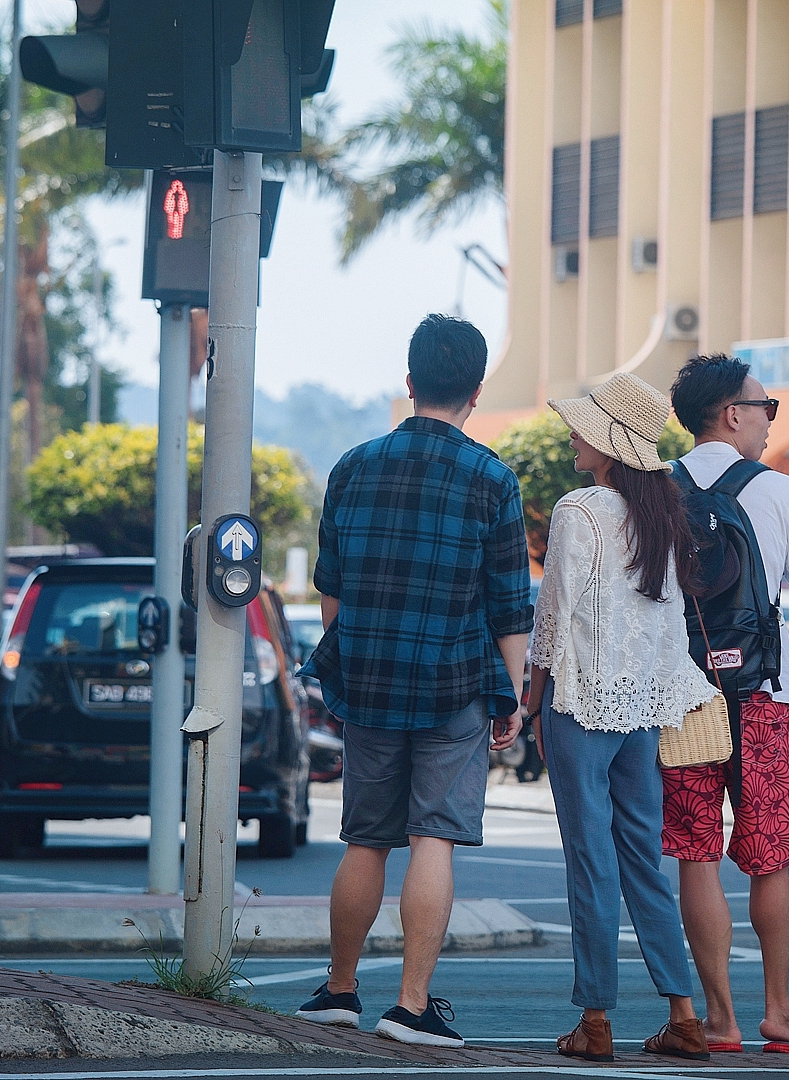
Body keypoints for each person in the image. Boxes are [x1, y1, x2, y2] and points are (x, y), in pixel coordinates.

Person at [296, 314, 532, 1049]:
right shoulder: (493, 478)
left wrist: (355, 650)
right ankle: (411, 1004)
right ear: (476, 390)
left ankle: (338, 990)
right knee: (436, 834)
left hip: (368, 680)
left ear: (409, 382)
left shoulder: (351, 466)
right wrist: (513, 697)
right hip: (454, 680)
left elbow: (330, 588)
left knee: (365, 838)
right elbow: (509, 604)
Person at [522, 373, 719, 1063]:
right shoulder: (662, 515)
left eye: (582, 427)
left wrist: (530, 699)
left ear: (607, 443)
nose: (572, 434)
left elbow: (554, 617)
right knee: (643, 861)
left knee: (591, 861)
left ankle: (596, 1020)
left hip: (580, 704)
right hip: (641, 712)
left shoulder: (579, 511)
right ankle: (684, 1014)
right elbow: (668, 629)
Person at [662, 354, 789, 1055]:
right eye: (766, 405)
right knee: (770, 858)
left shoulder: (659, 491)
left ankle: (720, 1020)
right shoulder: (776, 491)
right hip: (764, 697)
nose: (770, 419)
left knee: (697, 855)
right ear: (734, 414)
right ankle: (778, 1012)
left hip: (681, 699)